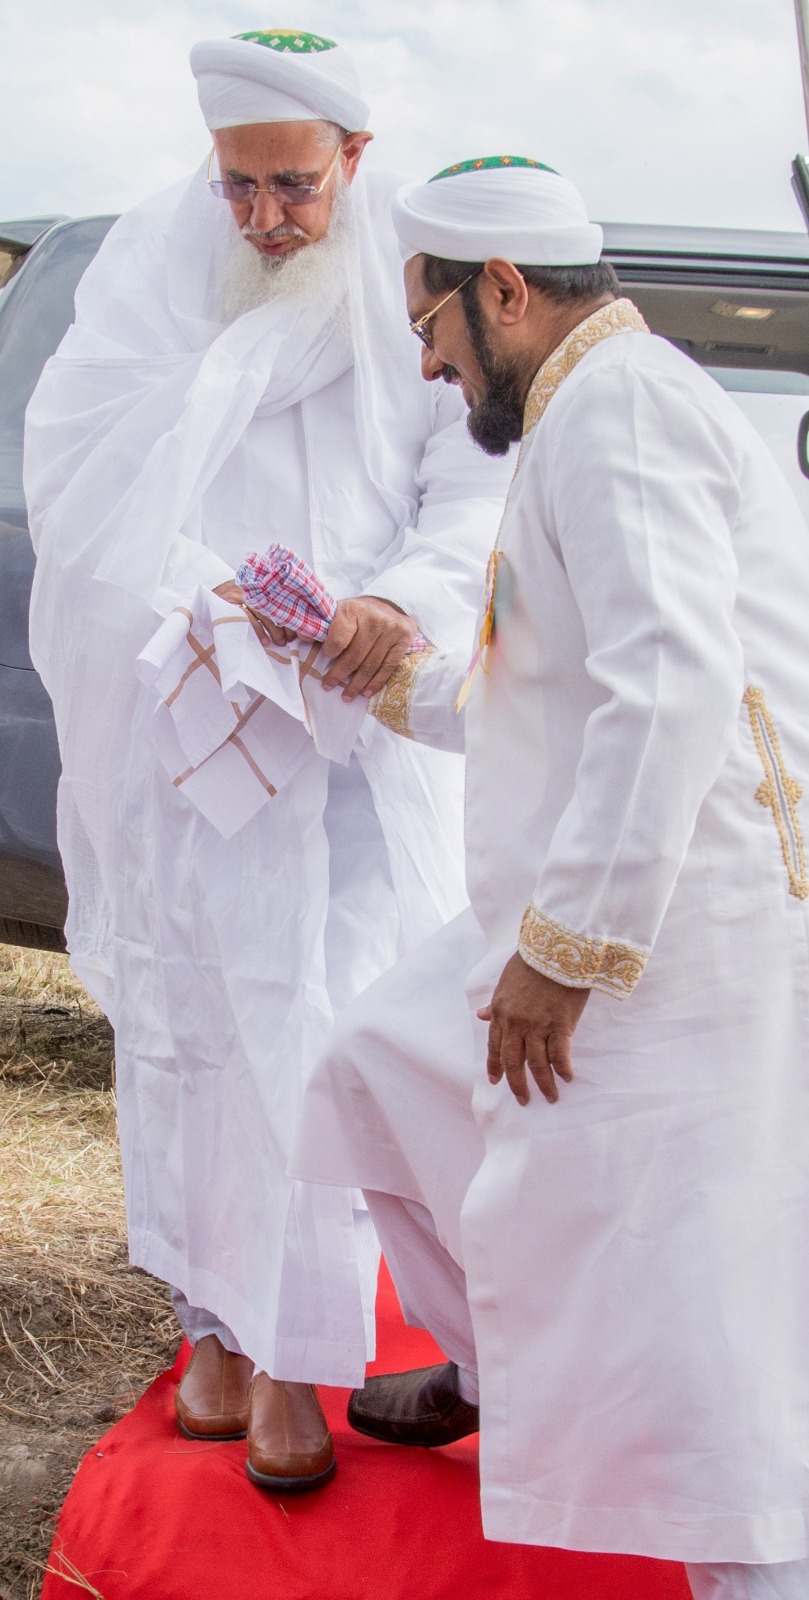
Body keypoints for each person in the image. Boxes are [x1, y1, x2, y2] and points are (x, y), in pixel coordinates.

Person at [291, 155, 809, 1594]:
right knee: (374, 1063)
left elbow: (669, 687)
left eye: (431, 326)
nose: (426, 362)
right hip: (612, 891)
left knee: (704, 1307)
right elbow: (555, 681)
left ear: (501, 291)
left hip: (672, 920)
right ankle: (497, 1366)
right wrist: (391, 682)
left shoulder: (618, 413)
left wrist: (562, 950)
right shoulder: (590, 410)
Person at [23, 39, 512, 1492]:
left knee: (318, 1038)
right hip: (189, 734)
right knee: (187, 1039)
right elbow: (78, 468)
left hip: (355, 748)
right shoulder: (147, 275)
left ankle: (301, 1365)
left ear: (354, 161)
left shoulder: (418, 284)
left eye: (293, 185)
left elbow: (475, 482)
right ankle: (216, 1338)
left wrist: (392, 609)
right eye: (239, 185)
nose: (264, 218)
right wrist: (199, 604)